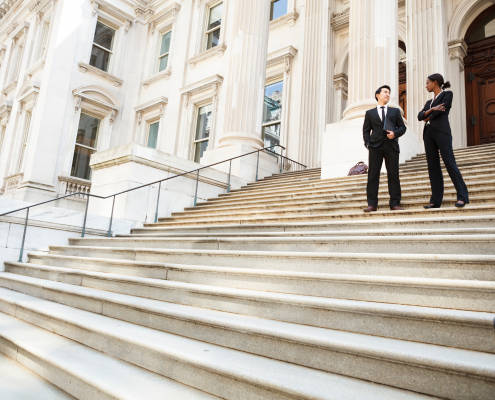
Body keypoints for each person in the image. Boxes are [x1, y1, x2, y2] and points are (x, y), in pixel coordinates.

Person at [417, 73, 469, 208]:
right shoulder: (429, 102)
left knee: (450, 163)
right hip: (428, 135)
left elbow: (442, 110)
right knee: (432, 167)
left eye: (428, 83)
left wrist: (427, 114)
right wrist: (433, 109)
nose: (426, 85)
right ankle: (435, 201)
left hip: (442, 133)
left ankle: (462, 196)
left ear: (435, 83)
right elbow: (419, 116)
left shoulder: (447, 94)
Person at [362, 85, 407, 212]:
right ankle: (372, 204)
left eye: (389, 93)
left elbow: (402, 128)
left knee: (393, 174)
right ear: (378, 95)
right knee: (372, 175)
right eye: (385, 92)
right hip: (375, 147)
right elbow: (366, 130)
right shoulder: (369, 113)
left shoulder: (395, 111)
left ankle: (395, 203)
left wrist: (395, 134)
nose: (388, 94)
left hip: (391, 146)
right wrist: (368, 143)